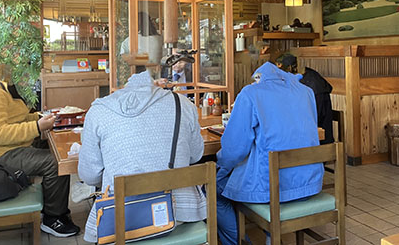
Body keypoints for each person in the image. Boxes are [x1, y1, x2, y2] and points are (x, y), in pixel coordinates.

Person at [78, 71, 206, 243]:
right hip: (181, 212)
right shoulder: (182, 103)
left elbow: (89, 176)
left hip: (124, 220)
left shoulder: (98, 112)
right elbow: (196, 155)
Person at [215, 62, 323, 245]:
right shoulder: (306, 92)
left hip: (273, 192)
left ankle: (241, 241)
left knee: (214, 188)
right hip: (310, 184)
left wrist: (221, 167)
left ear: (259, 78)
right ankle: (271, 235)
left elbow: (234, 148)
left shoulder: (251, 94)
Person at [0, 77, 80, 237]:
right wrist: (37, 127)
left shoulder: (1, 85)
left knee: (55, 147)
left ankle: (53, 206)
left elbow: (16, 119)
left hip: (13, 147)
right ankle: (53, 218)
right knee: (54, 162)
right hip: (0, 157)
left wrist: (40, 117)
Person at [277, 53, 334, 144]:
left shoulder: (313, 85)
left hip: (318, 141)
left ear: (290, 69)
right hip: (305, 135)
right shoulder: (301, 79)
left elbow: (312, 119)